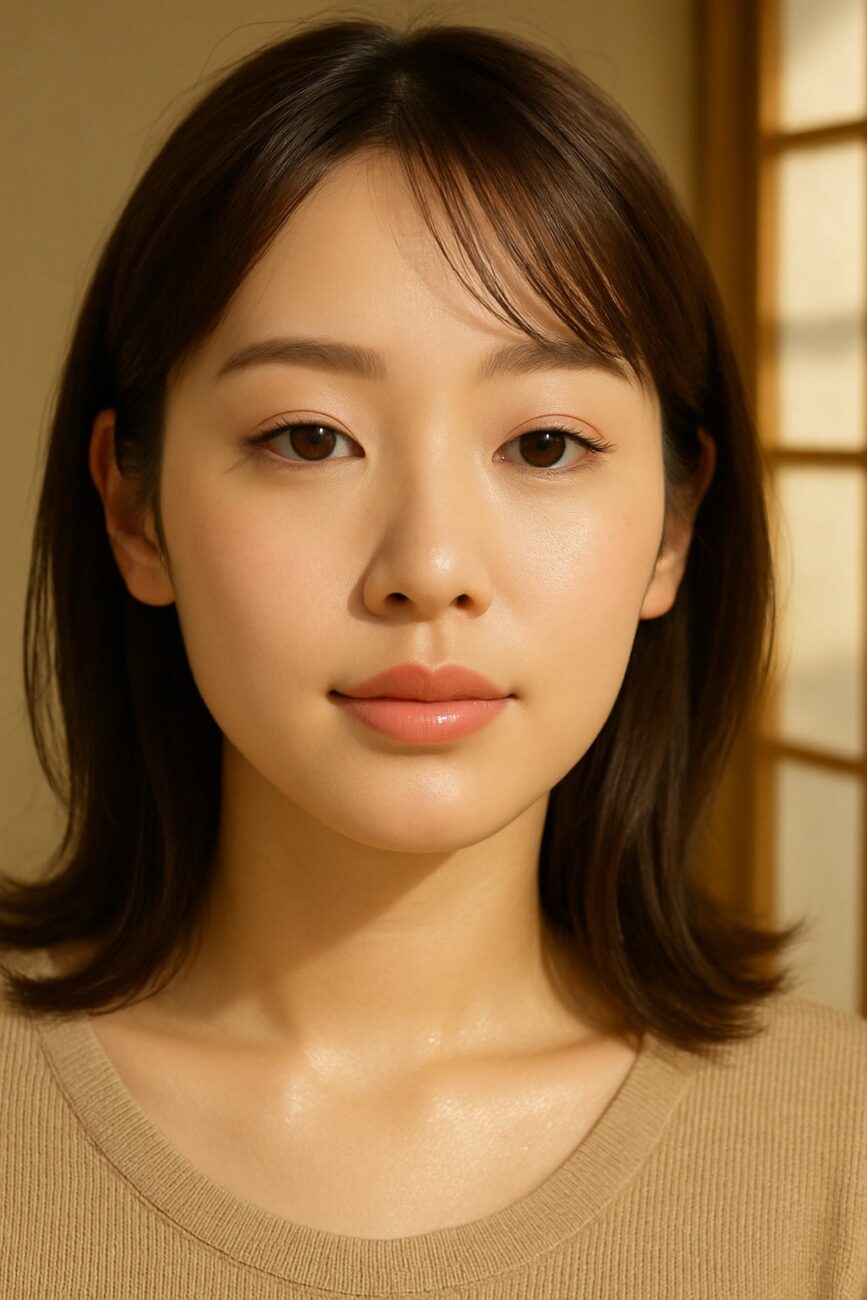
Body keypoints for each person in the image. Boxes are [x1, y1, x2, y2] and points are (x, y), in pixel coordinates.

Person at [1, 13, 864, 1299]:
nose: (431, 564)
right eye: (308, 437)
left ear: (675, 527)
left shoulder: (837, 1149)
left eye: (546, 445)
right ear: (135, 511)